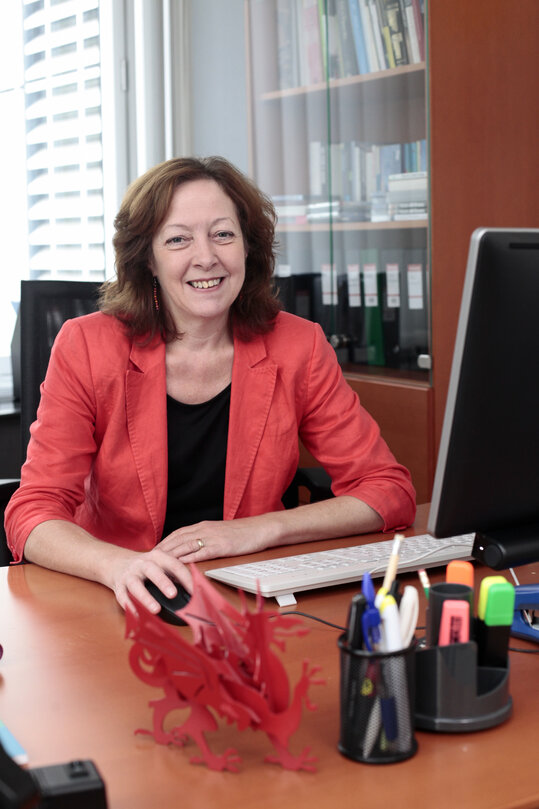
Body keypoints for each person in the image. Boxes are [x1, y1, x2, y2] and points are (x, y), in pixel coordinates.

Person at [5, 156, 416, 614]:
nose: (206, 257)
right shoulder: (87, 345)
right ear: (149, 260)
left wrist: (261, 529)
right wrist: (118, 566)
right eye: (178, 239)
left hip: (249, 597)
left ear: (247, 248)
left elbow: (387, 490)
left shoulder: (298, 345)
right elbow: (34, 511)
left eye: (223, 234)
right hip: (116, 596)